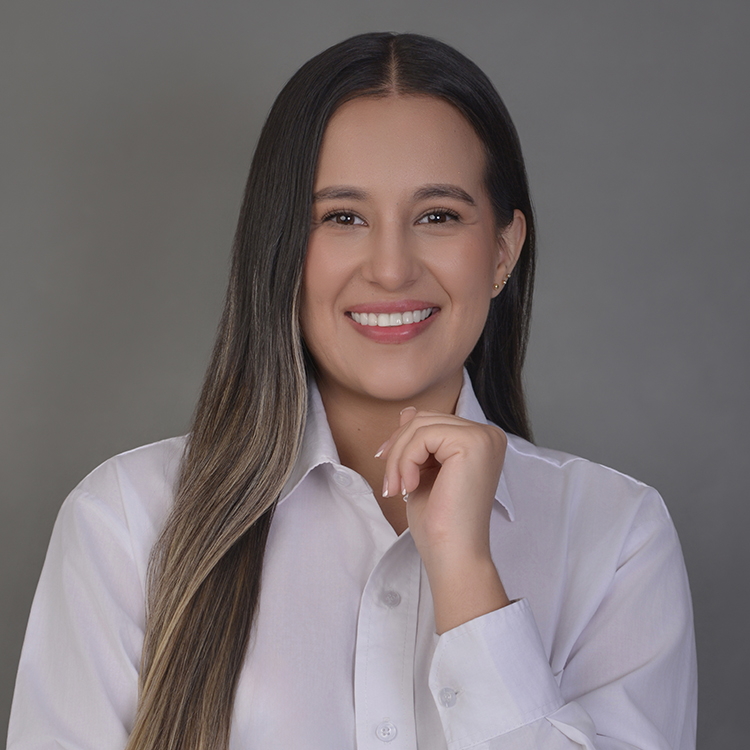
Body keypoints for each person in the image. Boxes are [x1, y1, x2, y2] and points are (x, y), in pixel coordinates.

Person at [8, 32, 697, 750]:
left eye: (438, 216)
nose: (391, 269)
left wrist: (466, 576)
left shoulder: (618, 537)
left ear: (502, 250)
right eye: (342, 218)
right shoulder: (125, 524)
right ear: (281, 248)